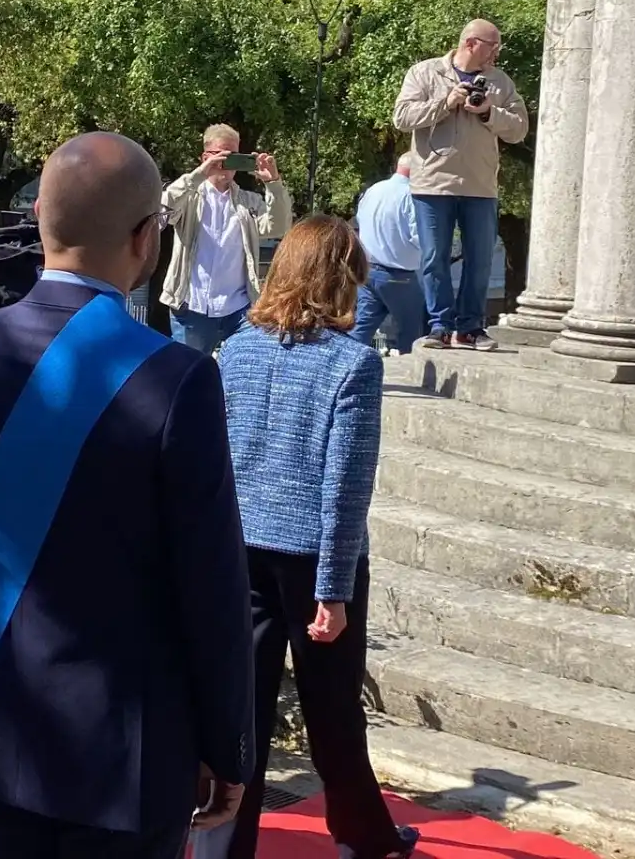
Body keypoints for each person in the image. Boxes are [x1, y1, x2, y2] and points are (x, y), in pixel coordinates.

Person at [0, 132, 255, 858]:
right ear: (146, 239)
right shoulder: (177, 379)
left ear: (39, 218)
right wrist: (229, 744)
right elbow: (214, 586)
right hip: (127, 763)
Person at [199, 215, 419, 859]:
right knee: (333, 712)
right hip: (315, 557)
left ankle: (231, 842)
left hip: (242, 551)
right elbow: (346, 486)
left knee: (243, 712)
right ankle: (363, 836)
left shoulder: (235, 349)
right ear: (343, 277)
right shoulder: (353, 364)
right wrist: (335, 589)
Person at [391, 19, 529, 352]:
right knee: (434, 257)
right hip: (432, 184)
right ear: (470, 43)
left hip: (480, 185)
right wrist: (446, 102)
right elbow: (402, 117)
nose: (496, 53)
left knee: (480, 258)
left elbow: (519, 128)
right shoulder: (424, 73)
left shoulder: (500, 82)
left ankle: (470, 328)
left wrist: (488, 112)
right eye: (492, 46)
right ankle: (439, 326)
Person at [158, 123, 292, 356]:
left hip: (239, 310)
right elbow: (162, 212)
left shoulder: (248, 202)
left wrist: (274, 184)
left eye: (233, 157)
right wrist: (199, 174)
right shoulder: (190, 197)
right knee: (189, 378)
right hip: (192, 308)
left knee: (242, 375)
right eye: (221, 155)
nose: (226, 164)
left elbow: (279, 226)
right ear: (205, 157)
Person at [351, 154, 425, 354]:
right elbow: (421, 237)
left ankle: (345, 368)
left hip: (368, 271)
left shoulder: (373, 190)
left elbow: (359, 221)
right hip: (398, 275)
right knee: (412, 332)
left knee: (361, 328)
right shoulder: (412, 195)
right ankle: (414, 377)